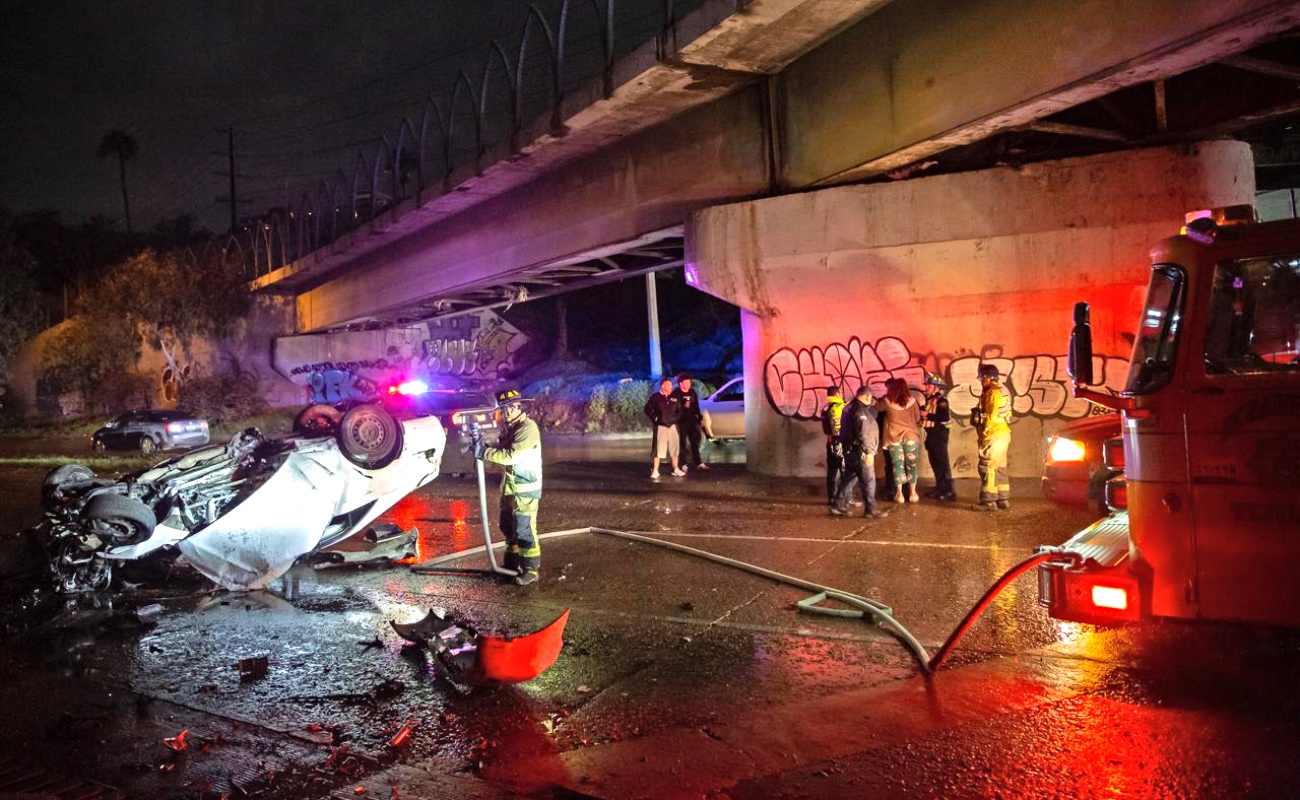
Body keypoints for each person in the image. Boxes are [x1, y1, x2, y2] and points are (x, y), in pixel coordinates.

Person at [477, 388, 544, 586]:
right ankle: (511, 564)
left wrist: (485, 452)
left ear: (520, 406)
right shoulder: (512, 427)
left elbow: (511, 456)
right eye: (504, 408)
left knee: (524, 530)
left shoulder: (527, 429)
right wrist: (486, 445)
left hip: (525, 489)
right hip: (510, 489)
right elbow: (503, 450)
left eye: (511, 407)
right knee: (507, 527)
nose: (507, 412)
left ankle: (531, 570)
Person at [829, 385, 889, 519]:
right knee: (869, 480)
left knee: (849, 478)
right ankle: (870, 509)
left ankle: (837, 505)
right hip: (859, 451)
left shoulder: (849, 407)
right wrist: (868, 452)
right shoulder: (859, 410)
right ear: (867, 396)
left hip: (850, 450)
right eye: (870, 398)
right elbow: (864, 432)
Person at [972, 364, 1013, 511]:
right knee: (1000, 467)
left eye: (982, 378)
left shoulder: (992, 393)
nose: (981, 382)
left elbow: (991, 416)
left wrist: (979, 420)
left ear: (988, 378)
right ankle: (1003, 499)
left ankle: (988, 502)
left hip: (993, 434)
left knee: (987, 466)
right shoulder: (1004, 390)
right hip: (1004, 433)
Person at [878, 377, 923, 503]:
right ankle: (913, 494)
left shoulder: (886, 402)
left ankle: (899, 495)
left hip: (894, 438)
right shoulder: (913, 402)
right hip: (911, 437)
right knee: (912, 465)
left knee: (897, 466)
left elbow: (876, 408)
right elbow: (917, 419)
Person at [920, 372, 956, 501]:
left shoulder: (942, 401)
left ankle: (949, 491)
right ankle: (939, 488)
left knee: (942, 463)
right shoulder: (930, 400)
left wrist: (926, 415)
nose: (926, 388)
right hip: (931, 435)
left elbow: (944, 417)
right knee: (935, 463)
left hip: (939, 435)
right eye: (926, 385)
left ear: (936, 387)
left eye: (928, 385)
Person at [644, 377, 684, 479]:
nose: (671, 387)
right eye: (669, 385)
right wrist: (656, 418)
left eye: (671, 385)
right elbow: (647, 409)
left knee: (674, 448)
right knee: (658, 449)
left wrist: (675, 419)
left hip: (673, 426)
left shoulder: (674, 397)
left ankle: (675, 469)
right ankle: (655, 470)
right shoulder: (655, 397)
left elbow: (680, 410)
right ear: (663, 386)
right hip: (661, 426)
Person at [672, 373, 707, 471]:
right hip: (681, 421)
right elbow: (673, 408)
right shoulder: (676, 393)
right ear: (680, 383)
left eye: (689, 382)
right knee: (682, 443)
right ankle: (683, 464)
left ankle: (698, 463)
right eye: (686, 382)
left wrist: (699, 418)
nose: (688, 384)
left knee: (695, 442)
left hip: (692, 420)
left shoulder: (692, 392)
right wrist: (683, 407)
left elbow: (696, 406)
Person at [819, 385, 846, 505]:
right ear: (838, 393)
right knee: (845, 470)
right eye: (841, 393)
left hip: (830, 442)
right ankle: (843, 499)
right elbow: (838, 427)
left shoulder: (825, 407)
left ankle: (831, 497)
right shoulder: (840, 407)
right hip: (840, 442)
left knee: (832, 471)